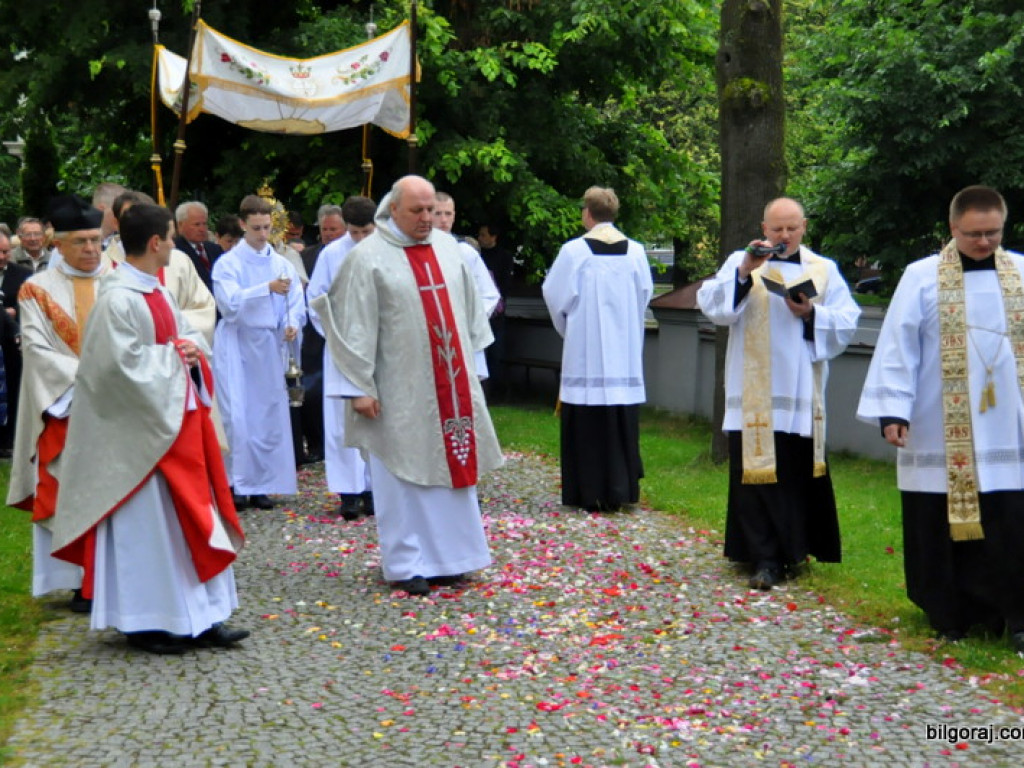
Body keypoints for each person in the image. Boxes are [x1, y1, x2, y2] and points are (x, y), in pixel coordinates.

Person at [49, 203, 247, 655]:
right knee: (150, 538)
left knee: (187, 528)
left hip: (173, 429)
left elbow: (186, 338)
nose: (174, 244)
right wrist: (178, 357)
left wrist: (190, 352)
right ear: (156, 243)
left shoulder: (157, 292)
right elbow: (116, 371)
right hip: (136, 444)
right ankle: (145, 623)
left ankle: (202, 617)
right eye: (171, 237)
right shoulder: (117, 300)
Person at [311, 176, 502, 596]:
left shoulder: (450, 249)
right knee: (402, 476)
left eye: (431, 209)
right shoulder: (368, 258)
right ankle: (406, 562)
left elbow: (471, 311)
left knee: (451, 473)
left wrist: (471, 370)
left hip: (449, 385)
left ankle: (452, 558)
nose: (426, 218)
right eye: (417, 210)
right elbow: (351, 325)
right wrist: (359, 387)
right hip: (398, 387)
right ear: (392, 209)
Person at [857, 185, 1024, 650]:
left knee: (1010, 521)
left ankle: (1016, 617)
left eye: (994, 233)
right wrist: (893, 408)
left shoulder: (1023, 274)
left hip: (1008, 423)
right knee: (940, 520)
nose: (985, 242)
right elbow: (898, 344)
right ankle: (948, 613)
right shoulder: (921, 276)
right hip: (939, 422)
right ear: (953, 229)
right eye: (975, 233)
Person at [696, 197, 860, 590]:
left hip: (798, 390)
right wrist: (743, 273)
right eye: (776, 228)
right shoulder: (744, 260)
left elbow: (848, 319)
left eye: (791, 228)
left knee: (791, 471)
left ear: (803, 226)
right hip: (751, 391)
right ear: (764, 227)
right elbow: (713, 306)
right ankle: (762, 556)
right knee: (754, 476)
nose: (783, 236)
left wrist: (811, 315)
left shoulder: (823, 269)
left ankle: (793, 550)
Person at [7, 194, 113, 612]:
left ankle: (113, 575)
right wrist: (90, 379)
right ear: (58, 245)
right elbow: (35, 349)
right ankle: (76, 579)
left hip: (118, 408)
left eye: (95, 240)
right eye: (80, 242)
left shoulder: (121, 277)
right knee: (69, 490)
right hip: (65, 407)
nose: (91, 250)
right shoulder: (36, 289)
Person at [542, 186, 653, 512]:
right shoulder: (636, 252)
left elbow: (554, 295)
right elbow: (643, 296)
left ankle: (587, 491)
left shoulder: (574, 252)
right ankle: (621, 489)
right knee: (619, 418)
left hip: (585, 352)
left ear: (587, 214)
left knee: (587, 421)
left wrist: (570, 331)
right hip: (624, 355)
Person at [212, 194, 305, 511]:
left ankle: (263, 483)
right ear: (242, 225)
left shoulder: (280, 263)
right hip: (237, 342)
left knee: (266, 415)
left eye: (267, 227)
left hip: (268, 342)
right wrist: (264, 288)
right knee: (237, 415)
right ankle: (236, 482)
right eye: (256, 228)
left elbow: (294, 303)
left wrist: (292, 324)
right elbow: (229, 303)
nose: (263, 235)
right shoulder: (228, 263)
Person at [307, 196, 377, 519]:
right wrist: (337, 337)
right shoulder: (332, 254)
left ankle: (376, 488)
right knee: (341, 421)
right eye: (355, 232)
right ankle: (349, 491)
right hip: (342, 348)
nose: (361, 239)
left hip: (378, 348)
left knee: (378, 417)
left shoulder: (384, 249)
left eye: (367, 231)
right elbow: (316, 300)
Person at [105, 191, 217, 344]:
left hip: (176, 356)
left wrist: (181, 338)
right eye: (130, 218)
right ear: (116, 223)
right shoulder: (101, 265)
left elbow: (203, 310)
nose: (139, 224)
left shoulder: (178, 261)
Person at [297, 203, 348, 467]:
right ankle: (317, 443)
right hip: (316, 336)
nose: (329, 234)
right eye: (325, 229)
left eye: (334, 229)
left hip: (348, 334)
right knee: (314, 394)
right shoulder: (307, 256)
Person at [434, 192, 500, 377]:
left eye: (448, 214)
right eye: (438, 213)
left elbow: (489, 295)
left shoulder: (465, 253)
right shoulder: (414, 249)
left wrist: (469, 319)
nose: (443, 220)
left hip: (461, 332)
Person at [0, 231, 31, 456]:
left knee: (14, 391)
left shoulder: (24, 274)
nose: (2, 256)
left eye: (6, 251)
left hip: (12, 346)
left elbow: (30, 304)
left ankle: (10, 440)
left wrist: (15, 313)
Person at [477, 221, 515, 398]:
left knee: (495, 352)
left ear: (494, 237)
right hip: (479, 311)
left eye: (484, 235)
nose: (481, 238)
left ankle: (497, 390)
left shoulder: (504, 257)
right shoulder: (478, 255)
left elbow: (505, 285)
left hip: (496, 313)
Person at [175, 201, 224, 291]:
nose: (202, 229)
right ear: (180, 225)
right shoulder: (175, 252)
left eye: (204, 224)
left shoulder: (215, 249)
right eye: (196, 224)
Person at [91, 181, 128, 249]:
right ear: (101, 210)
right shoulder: (79, 239)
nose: (124, 215)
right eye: (118, 209)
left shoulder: (124, 243)